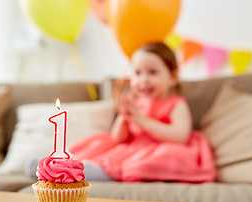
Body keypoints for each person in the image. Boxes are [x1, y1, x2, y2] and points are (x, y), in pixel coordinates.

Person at [72, 42, 216, 182]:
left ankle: (105, 173)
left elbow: (180, 136)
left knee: (159, 157)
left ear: (173, 78)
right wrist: (125, 117)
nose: (143, 79)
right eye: (137, 73)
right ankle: (86, 169)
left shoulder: (176, 103)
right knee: (101, 150)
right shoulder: (136, 103)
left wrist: (140, 119)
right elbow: (118, 138)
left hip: (159, 149)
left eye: (152, 72)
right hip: (131, 149)